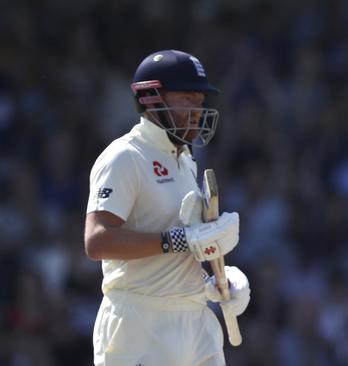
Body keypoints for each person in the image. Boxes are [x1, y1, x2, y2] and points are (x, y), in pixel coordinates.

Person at [84, 49, 251, 366]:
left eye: (200, 101)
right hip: (140, 325)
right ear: (151, 98)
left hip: (194, 320)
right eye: (187, 98)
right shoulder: (125, 156)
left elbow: (187, 247)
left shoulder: (185, 160)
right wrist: (180, 240)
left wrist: (216, 283)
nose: (198, 110)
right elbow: (98, 240)